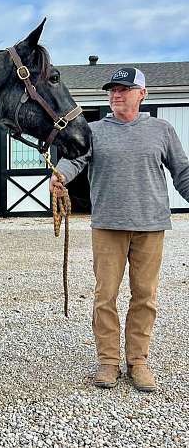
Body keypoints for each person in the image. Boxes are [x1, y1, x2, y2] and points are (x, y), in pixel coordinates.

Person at [50, 67, 189, 392]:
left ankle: (138, 362)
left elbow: (182, 171)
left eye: (124, 89)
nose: (116, 95)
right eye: (113, 90)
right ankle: (108, 362)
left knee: (145, 296)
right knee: (105, 297)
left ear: (142, 94)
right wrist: (60, 175)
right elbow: (76, 160)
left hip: (151, 226)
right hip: (108, 226)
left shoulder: (162, 130)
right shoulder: (94, 131)